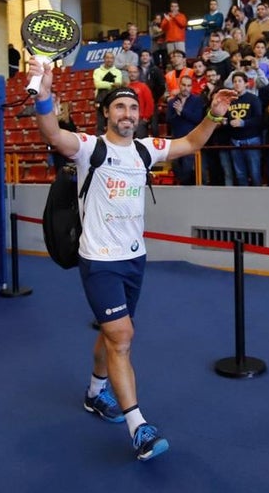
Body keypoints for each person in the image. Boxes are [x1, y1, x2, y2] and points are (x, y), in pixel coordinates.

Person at [30, 55, 236, 463]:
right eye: (120, 107)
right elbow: (53, 134)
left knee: (112, 333)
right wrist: (45, 95)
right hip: (99, 260)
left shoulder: (147, 150)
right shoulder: (91, 147)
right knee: (122, 337)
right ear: (106, 113)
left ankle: (94, 393)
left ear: (139, 116)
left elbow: (192, 142)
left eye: (133, 108)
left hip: (134, 259)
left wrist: (214, 113)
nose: (127, 113)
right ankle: (138, 426)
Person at [165, 75, 205, 185]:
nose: (186, 88)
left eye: (188, 85)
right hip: (176, 140)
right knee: (176, 166)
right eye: (183, 85)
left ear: (191, 87)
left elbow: (198, 119)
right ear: (179, 85)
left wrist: (182, 112)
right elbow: (168, 120)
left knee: (188, 167)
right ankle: (182, 188)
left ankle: (187, 189)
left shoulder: (197, 100)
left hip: (191, 140)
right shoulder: (172, 102)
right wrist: (177, 114)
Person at [225, 72, 263, 187]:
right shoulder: (229, 100)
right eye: (235, 82)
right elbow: (226, 117)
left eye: (239, 81)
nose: (237, 84)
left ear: (246, 83)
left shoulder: (253, 99)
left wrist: (243, 123)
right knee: (240, 174)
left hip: (251, 140)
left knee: (254, 172)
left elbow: (259, 119)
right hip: (235, 141)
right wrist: (225, 122)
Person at [93, 52, 125, 134]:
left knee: (113, 124)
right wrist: (111, 84)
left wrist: (104, 83)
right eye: (107, 58)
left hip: (113, 100)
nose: (109, 60)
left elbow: (118, 84)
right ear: (104, 59)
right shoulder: (97, 71)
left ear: (113, 60)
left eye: (111, 58)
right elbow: (98, 84)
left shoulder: (118, 72)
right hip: (100, 101)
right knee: (100, 125)